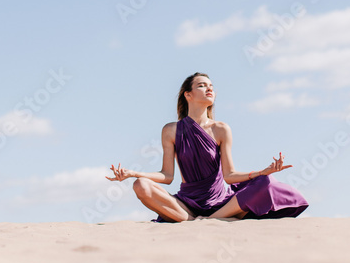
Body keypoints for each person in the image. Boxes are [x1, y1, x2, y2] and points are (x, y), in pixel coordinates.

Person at [106, 72, 309, 222]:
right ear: (188, 95)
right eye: (202, 85)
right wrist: (133, 173)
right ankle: (192, 219)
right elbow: (167, 176)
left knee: (265, 181)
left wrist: (261, 172)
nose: (209, 88)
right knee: (140, 185)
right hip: (187, 203)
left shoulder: (221, 129)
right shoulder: (171, 130)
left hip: (221, 204)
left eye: (211, 85)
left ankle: (210, 220)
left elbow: (229, 175)